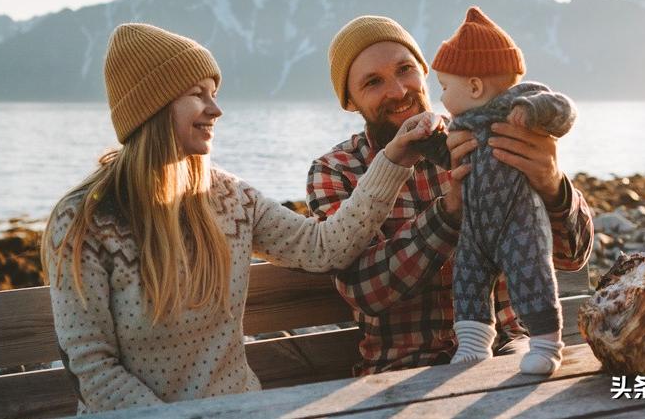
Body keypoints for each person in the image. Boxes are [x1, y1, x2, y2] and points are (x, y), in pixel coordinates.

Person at [41, 23, 438, 413]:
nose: (216, 109)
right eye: (199, 95)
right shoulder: (83, 221)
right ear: (154, 107)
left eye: (214, 94)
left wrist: (392, 160)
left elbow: (323, 248)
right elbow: (92, 368)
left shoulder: (230, 197)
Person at [307, 15, 594, 376]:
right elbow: (364, 289)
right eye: (373, 82)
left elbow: (574, 257)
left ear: (425, 71)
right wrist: (449, 214)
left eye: (405, 69)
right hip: (402, 370)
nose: (398, 90)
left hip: (509, 354)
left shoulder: (491, 132)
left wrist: (551, 183)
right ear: (350, 100)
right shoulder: (337, 170)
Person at [433, 6, 577, 375]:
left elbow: (562, 109)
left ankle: (546, 345)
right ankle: (472, 344)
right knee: (466, 277)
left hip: (518, 221)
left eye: (445, 88)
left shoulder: (520, 102)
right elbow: (438, 153)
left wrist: (533, 117)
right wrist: (415, 146)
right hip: (475, 230)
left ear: (475, 86)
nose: (442, 99)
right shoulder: (456, 126)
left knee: (532, 273)